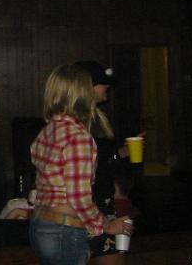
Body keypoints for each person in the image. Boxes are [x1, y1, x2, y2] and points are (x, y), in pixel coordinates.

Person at [29, 63, 131, 265]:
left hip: (41, 224)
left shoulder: (48, 131)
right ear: (83, 93)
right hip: (64, 228)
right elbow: (77, 196)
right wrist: (106, 225)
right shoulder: (78, 137)